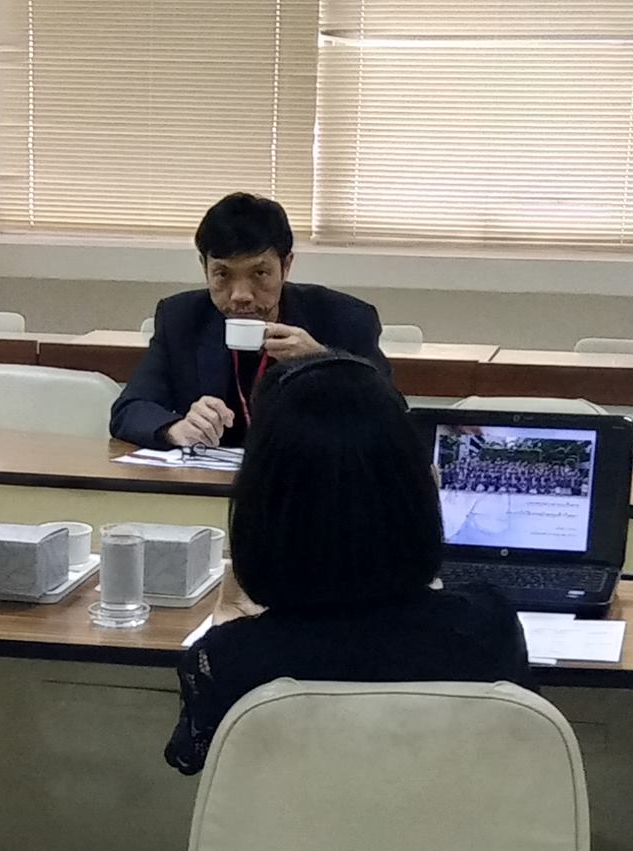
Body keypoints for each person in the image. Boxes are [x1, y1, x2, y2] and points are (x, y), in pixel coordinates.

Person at [164, 353, 531, 775]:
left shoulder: (230, 658)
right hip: (456, 820)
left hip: (296, 822)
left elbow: (192, 758)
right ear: (420, 493)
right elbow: (520, 744)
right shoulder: (487, 628)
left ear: (260, 509)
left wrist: (228, 620)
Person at [111, 193, 393, 450]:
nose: (240, 295)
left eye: (259, 274)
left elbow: (391, 414)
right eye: (222, 274)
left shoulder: (344, 319)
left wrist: (323, 364)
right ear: (204, 267)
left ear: (286, 266)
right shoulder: (181, 319)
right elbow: (130, 409)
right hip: (210, 481)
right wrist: (177, 429)